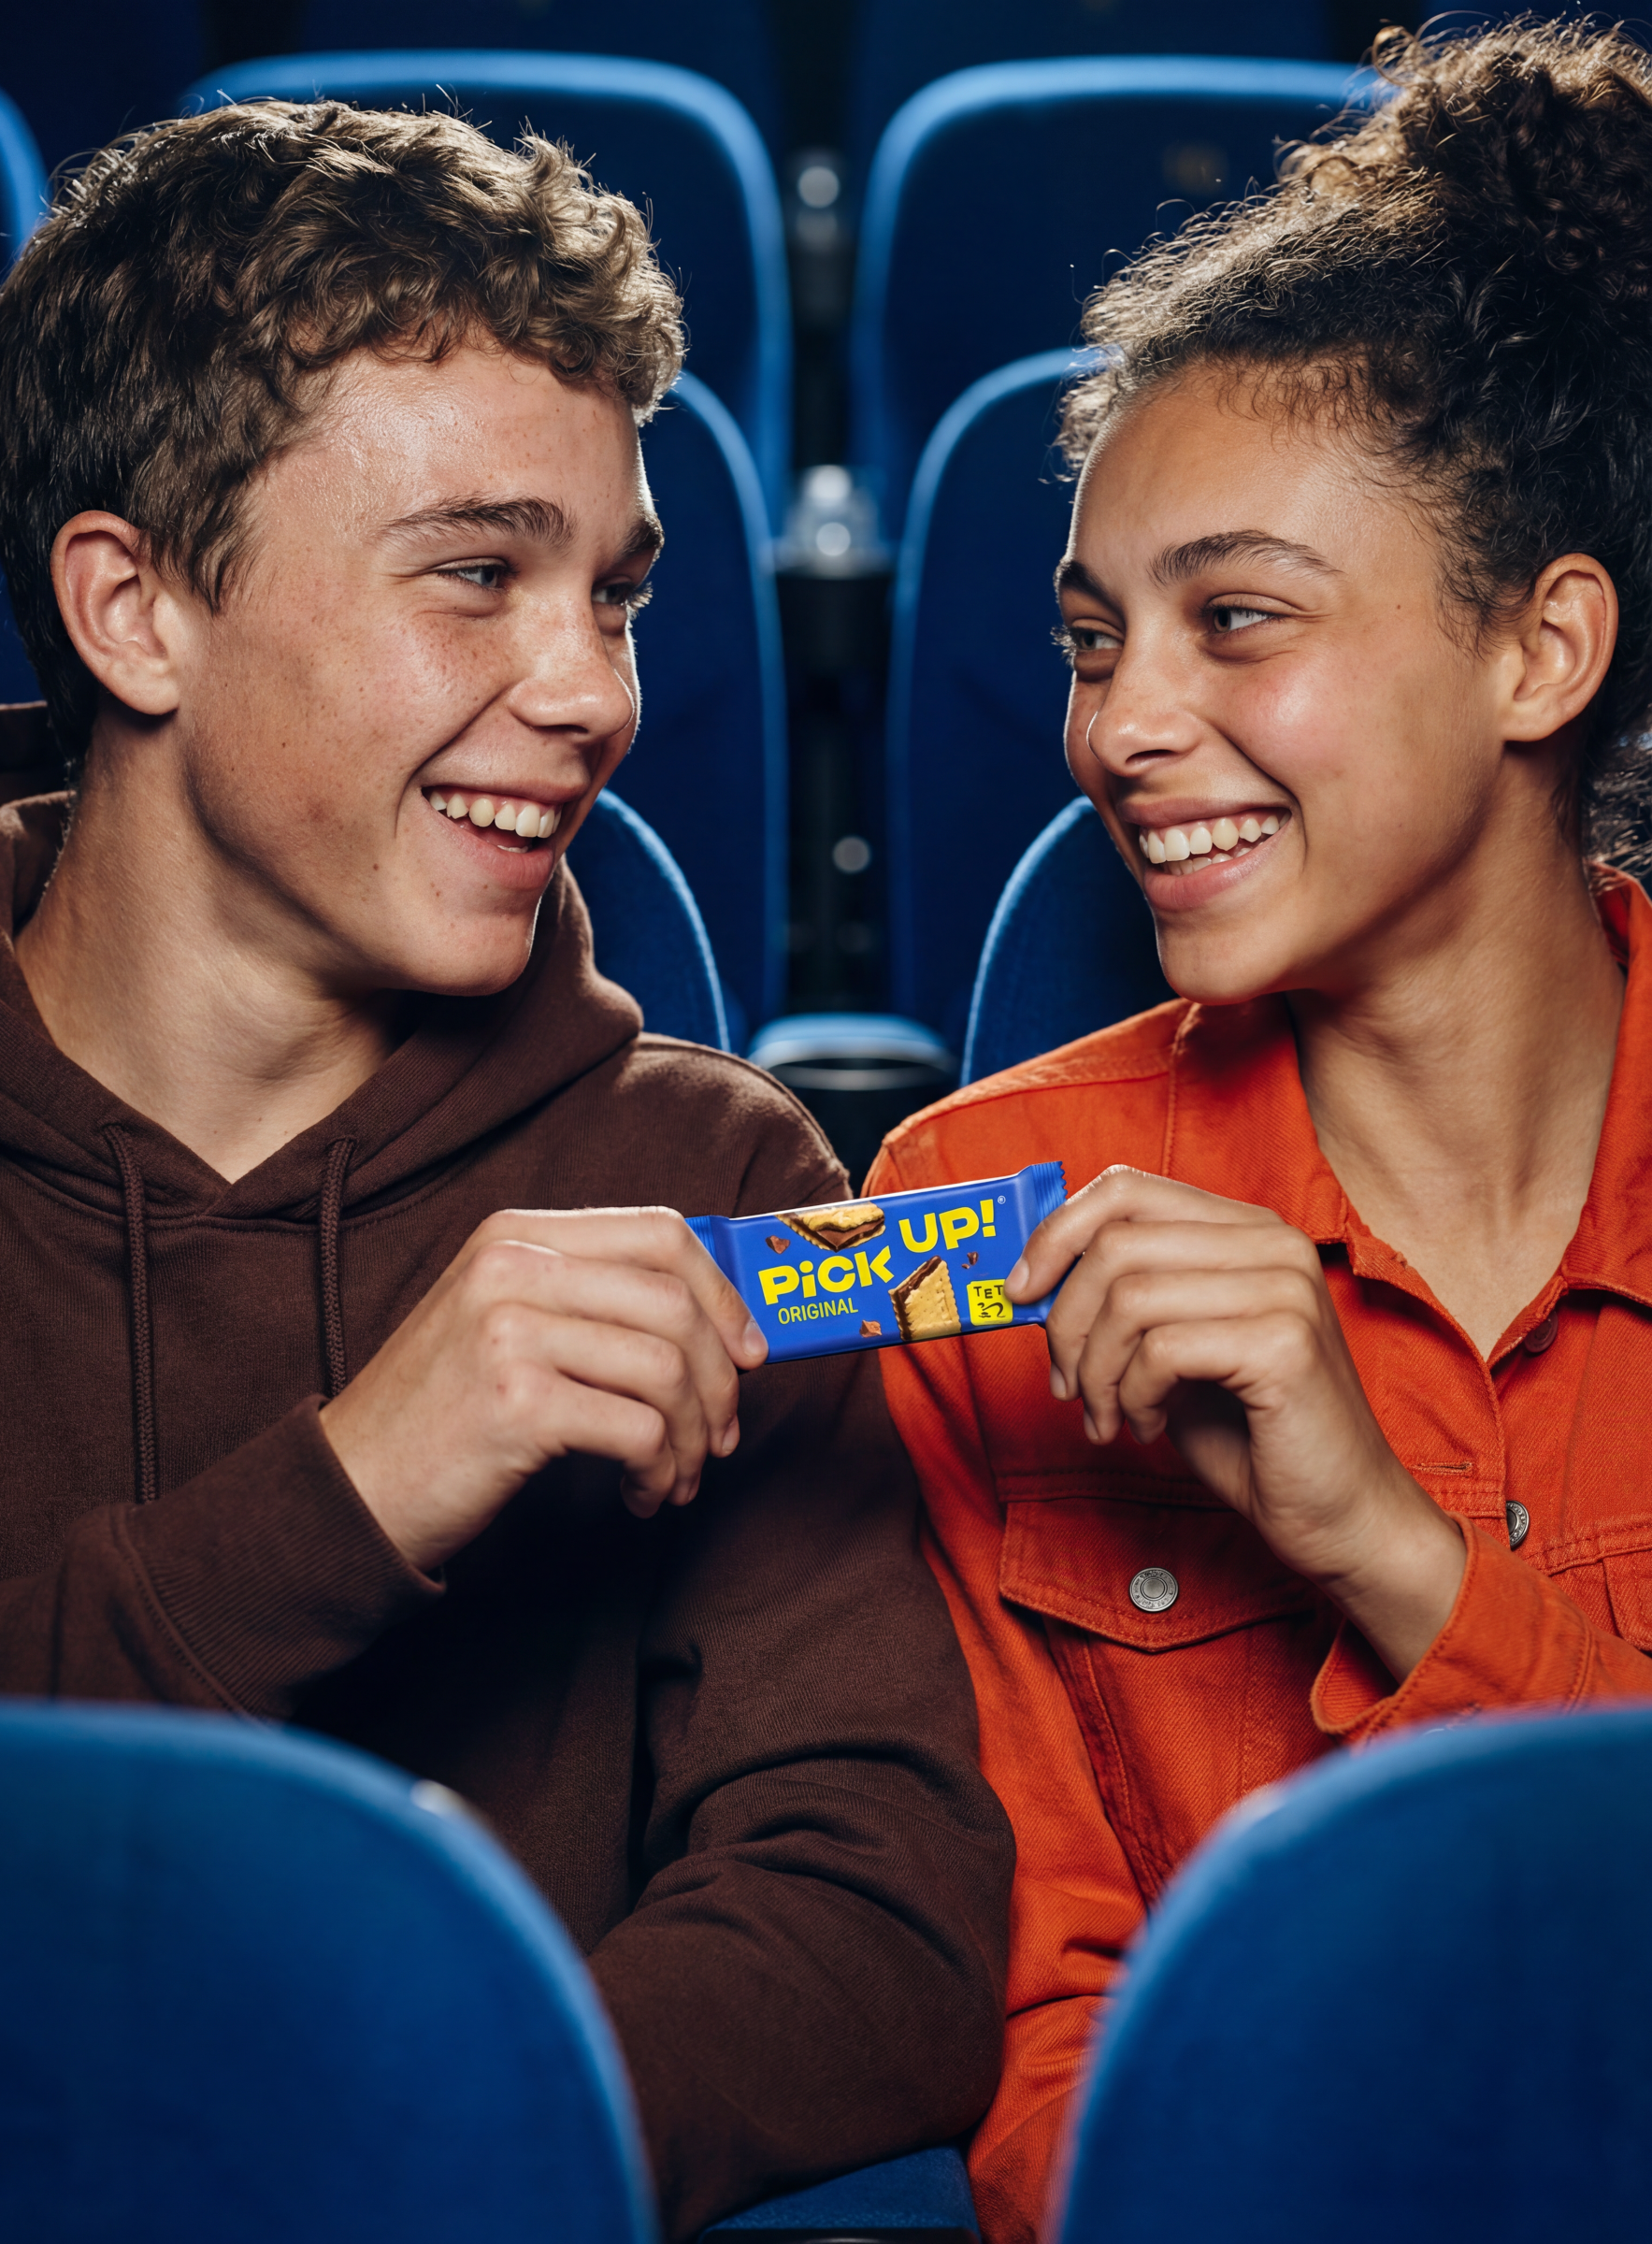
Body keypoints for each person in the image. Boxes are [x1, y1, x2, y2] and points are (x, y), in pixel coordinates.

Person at [0, 103, 1013, 2237]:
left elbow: (874, 1920)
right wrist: (350, 1490)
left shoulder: (710, 1170)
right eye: (476, 575)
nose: (594, 693)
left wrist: (389, 2146)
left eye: (614, 596)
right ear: (135, 608)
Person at [869, 22, 1652, 2240]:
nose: (1117, 725)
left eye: (1233, 621)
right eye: (1091, 637)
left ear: (1538, 647)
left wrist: (1384, 1549)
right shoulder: (965, 1219)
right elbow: (1035, 2051)